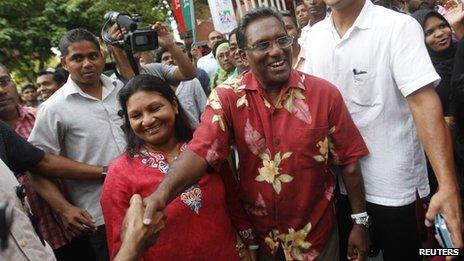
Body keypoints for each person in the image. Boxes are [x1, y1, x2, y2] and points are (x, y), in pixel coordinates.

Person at [142, 7, 370, 261]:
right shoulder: (227, 97)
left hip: (318, 238)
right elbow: (201, 150)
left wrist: (360, 223)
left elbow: (349, 164)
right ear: (242, 55)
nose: (276, 50)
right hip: (264, 242)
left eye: (282, 40)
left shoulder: (324, 95)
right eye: (263, 44)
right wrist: (161, 195)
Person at [303, 0, 463, 260]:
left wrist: (447, 185)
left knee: (412, 254)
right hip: (342, 188)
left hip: (396, 190)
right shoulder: (315, 38)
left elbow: (423, 103)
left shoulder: (397, 27)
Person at [101, 75, 248, 260]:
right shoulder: (120, 173)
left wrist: (249, 242)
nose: (147, 120)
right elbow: (119, 247)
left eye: (154, 108)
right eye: (136, 115)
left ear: (174, 105)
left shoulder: (203, 147)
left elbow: (234, 200)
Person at [28, 28, 128, 261]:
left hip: (146, 199)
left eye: (93, 56)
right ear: (64, 62)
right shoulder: (53, 108)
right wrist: (63, 208)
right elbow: (36, 165)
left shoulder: (121, 90)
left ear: (102, 56)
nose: (87, 64)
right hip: (101, 216)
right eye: (77, 58)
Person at [0, 63, 98, 260]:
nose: (1, 91)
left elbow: (49, 161)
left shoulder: (46, 115)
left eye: (4, 82)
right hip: (32, 244)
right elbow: (40, 165)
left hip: (80, 224)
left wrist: (109, 171)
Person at [156, 47, 207, 126]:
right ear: (159, 64)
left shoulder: (192, 81)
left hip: (195, 134)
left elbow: (204, 109)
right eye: (166, 58)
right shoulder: (157, 87)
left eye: (173, 57)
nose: (170, 60)